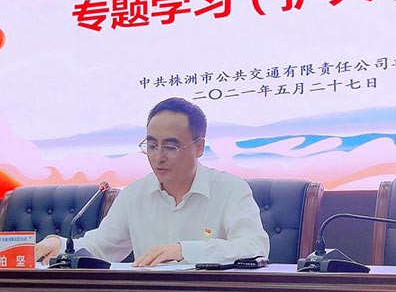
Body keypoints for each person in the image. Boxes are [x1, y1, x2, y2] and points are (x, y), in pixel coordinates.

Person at [34, 97, 270, 267]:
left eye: (170, 147)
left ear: (198, 147)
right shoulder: (134, 194)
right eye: (151, 145)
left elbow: (253, 246)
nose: (158, 157)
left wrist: (184, 250)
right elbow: (102, 246)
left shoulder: (230, 189)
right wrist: (60, 245)